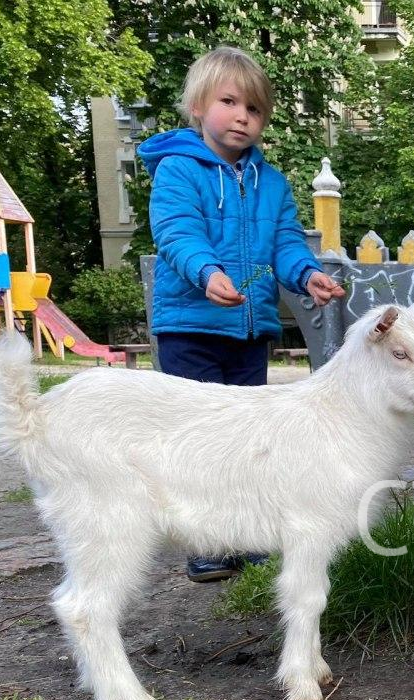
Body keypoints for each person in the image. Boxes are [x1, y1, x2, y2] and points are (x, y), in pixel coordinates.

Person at [138, 46, 346, 583]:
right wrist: (207, 273)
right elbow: (176, 233)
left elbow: (286, 243)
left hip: (250, 332)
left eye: (253, 109)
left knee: (247, 441)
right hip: (191, 326)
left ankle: (245, 535)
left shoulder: (270, 183)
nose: (241, 117)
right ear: (197, 106)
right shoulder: (178, 170)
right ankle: (205, 544)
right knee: (199, 441)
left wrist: (306, 275)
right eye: (228, 102)